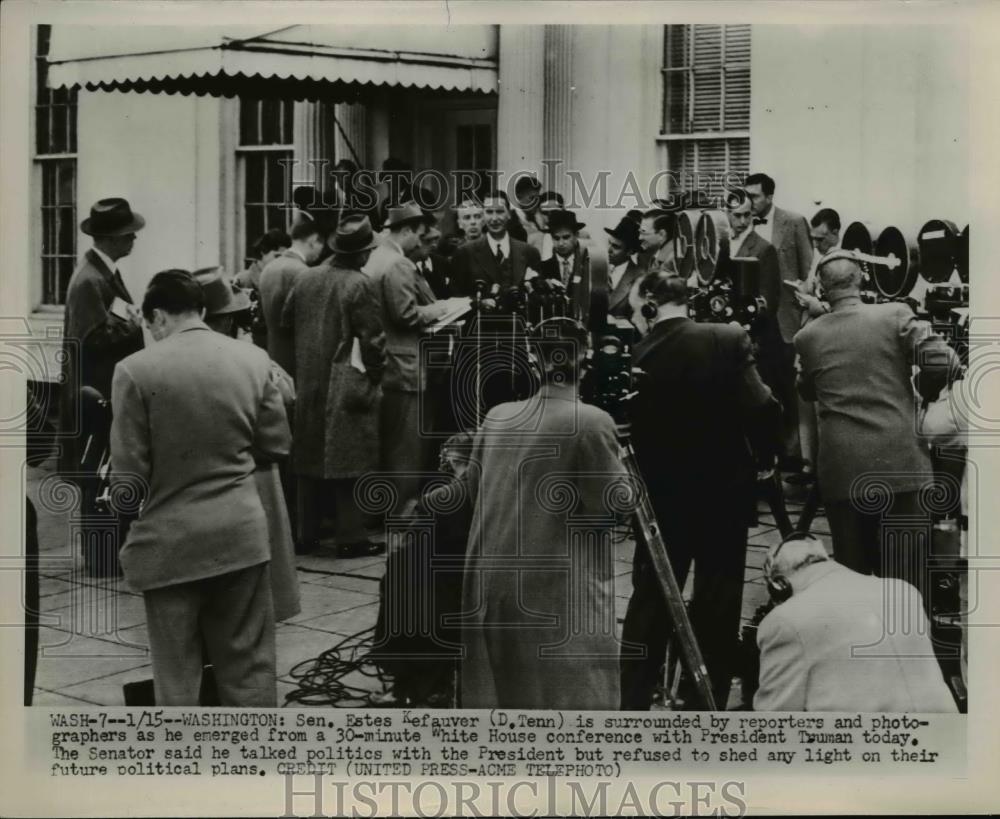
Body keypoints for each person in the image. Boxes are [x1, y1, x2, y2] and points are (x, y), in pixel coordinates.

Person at [110, 270, 290, 706]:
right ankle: (254, 768)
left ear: (155, 316)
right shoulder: (252, 359)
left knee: (178, 678)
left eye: (149, 324)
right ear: (203, 311)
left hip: (170, 545)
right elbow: (277, 445)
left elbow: (128, 483)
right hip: (241, 536)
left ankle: (188, 770)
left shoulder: (133, 370)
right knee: (249, 669)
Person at [620, 271, 781, 710]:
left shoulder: (638, 352)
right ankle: (702, 700)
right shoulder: (726, 338)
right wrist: (766, 454)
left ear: (650, 305)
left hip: (662, 499)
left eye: (636, 309)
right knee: (719, 597)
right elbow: (762, 405)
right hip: (723, 494)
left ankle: (632, 696)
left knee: (651, 598)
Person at [461, 318, 627, 708]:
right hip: (551, 592)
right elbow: (611, 509)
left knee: (504, 696)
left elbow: (471, 489)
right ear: (585, 364)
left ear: (533, 363)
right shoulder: (589, 421)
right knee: (572, 699)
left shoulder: (498, 415)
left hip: (490, 585)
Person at [794, 250, 960, 601]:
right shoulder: (894, 315)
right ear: (862, 279)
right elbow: (946, 362)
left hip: (844, 474)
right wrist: (920, 395)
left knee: (854, 586)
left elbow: (806, 389)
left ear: (821, 288)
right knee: (907, 587)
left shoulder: (807, 337)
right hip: (901, 466)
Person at [194, 269, 301, 622]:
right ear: (224, 320)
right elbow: (286, 397)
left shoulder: (175, 359)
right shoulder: (248, 356)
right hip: (255, 471)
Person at [754, 534, 958, 712]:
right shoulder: (903, 590)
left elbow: (774, 719)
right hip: (942, 739)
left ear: (779, 585)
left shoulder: (785, 620)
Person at [282, 215, 388, 557]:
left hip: (308, 376)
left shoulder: (306, 278)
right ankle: (351, 537)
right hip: (346, 378)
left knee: (308, 459)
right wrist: (376, 375)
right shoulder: (359, 284)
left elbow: (285, 321)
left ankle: (305, 534)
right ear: (361, 254)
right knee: (351, 458)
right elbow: (373, 340)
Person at [58, 198, 146, 576]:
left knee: (105, 472)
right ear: (110, 238)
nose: (134, 240)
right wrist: (136, 326)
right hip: (94, 395)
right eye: (129, 235)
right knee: (97, 473)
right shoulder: (90, 280)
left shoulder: (99, 273)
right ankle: (101, 558)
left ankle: (107, 555)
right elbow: (94, 337)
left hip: (102, 391)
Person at [367, 203, 465, 517]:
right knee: (406, 447)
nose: (420, 242)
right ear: (406, 230)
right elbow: (407, 315)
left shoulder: (375, 257)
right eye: (419, 235)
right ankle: (401, 511)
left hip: (386, 364)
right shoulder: (398, 264)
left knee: (389, 443)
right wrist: (441, 309)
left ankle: (382, 509)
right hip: (405, 365)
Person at [743, 172, 814, 472]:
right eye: (746, 196)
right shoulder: (740, 223)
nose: (750, 202)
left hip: (787, 319)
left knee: (790, 388)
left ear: (770, 197)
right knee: (764, 389)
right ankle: (769, 455)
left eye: (755, 196)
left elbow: (808, 269)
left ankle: (794, 456)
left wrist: (802, 315)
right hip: (758, 323)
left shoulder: (794, 222)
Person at [259, 213, 326, 376]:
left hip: (273, 360)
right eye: (321, 245)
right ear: (313, 240)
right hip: (300, 365)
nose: (320, 252)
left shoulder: (268, 269)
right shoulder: (305, 273)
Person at [450, 191, 542, 296]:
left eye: (499, 212)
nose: (494, 219)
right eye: (489, 212)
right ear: (483, 215)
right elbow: (457, 297)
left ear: (509, 214)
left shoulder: (529, 252)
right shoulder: (464, 253)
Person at [537, 209, 598, 327]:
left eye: (566, 237)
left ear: (576, 236)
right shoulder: (543, 267)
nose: (561, 243)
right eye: (556, 238)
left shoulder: (588, 265)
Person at [605, 216, 644, 320]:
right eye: (609, 243)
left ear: (630, 251)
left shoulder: (640, 277)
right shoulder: (598, 269)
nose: (609, 250)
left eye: (616, 247)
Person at [638, 209, 678, 275]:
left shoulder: (671, 261)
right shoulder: (659, 256)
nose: (640, 238)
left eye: (644, 233)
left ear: (661, 234)